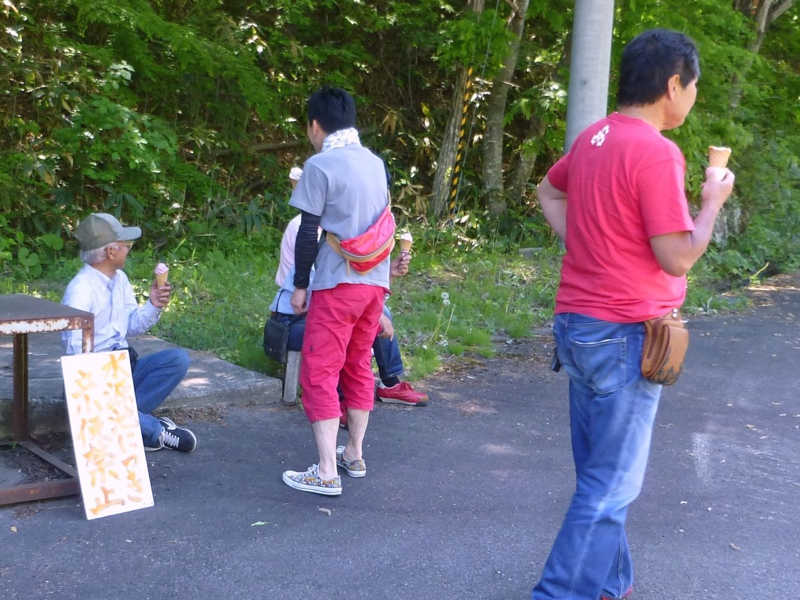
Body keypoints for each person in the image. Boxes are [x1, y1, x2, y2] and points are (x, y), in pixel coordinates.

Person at [531, 29, 734, 600]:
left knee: (600, 473)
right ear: (674, 84)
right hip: (624, 333)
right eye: (693, 86)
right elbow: (677, 256)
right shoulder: (656, 150)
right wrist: (711, 202)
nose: (692, 96)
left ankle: (608, 581)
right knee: (611, 484)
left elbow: (548, 192)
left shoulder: (594, 136)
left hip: (577, 326)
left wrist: (588, 248)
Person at [281, 86, 392, 496]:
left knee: (320, 370)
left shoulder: (320, 165)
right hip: (375, 284)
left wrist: (300, 285)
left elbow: (308, 231)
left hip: (338, 282)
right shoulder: (376, 164)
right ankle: (354, 454)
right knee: (359, 364)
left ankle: (326, 471)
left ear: (315, 125)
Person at [269, 171, 428, 411]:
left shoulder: (352, 230)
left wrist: (388, 275)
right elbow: (317, 291)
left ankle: (389, 385)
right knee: (349, 325)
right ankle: (340, 402)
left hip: (328, 308)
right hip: (291, 321)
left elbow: (358, 289)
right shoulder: (310, 228)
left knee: (377, 315)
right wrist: (375, 314)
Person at [62, 213, 197, 453]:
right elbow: (77, 359)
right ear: (111, 251)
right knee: (101, 408)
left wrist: (153, 304)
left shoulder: (120, 279)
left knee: (177, 360)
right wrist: (101, 392)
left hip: (123, 367)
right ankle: (154, 431)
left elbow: (131, 326)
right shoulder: (80, 292)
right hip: (95, 381)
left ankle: (124, 420)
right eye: (126, 244)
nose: (129, 249)